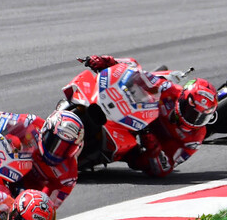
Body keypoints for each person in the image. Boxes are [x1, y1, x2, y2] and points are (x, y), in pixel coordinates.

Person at [81, 55, 218, 177]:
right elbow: (135, 70)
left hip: (147, 141)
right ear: (182, 99)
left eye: (201, 117)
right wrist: (107, 61)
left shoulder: (195, 137)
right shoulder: (171, 90)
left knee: (139, 162)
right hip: (131, 113)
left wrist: (151, 143)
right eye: (191, 112)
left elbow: (165, 168)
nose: (193, 120)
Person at [0, 103, 84, 207]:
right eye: (54, 142)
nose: (57, 151)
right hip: (4, 162)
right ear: (45, 130)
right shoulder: (32, 123)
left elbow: (48, 205)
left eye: (66, 149)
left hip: (20, 194)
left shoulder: (68, 175)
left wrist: (26, 204)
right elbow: (0, 118)